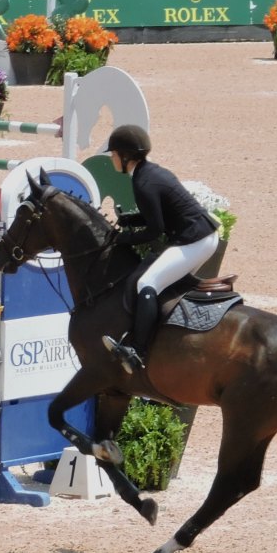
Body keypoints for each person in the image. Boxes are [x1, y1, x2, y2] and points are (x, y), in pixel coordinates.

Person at [102, 125, 221, 375]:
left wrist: (122, 239)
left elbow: (155, 230)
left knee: (147, 283)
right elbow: (157, 217)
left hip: (195, 240)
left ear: (125, 156)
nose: (111, 158)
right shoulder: (148, 173)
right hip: (201, 234)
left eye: (113, 154)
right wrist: (130, 221)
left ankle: (138, 351)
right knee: (162, 283)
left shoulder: (144, 183)